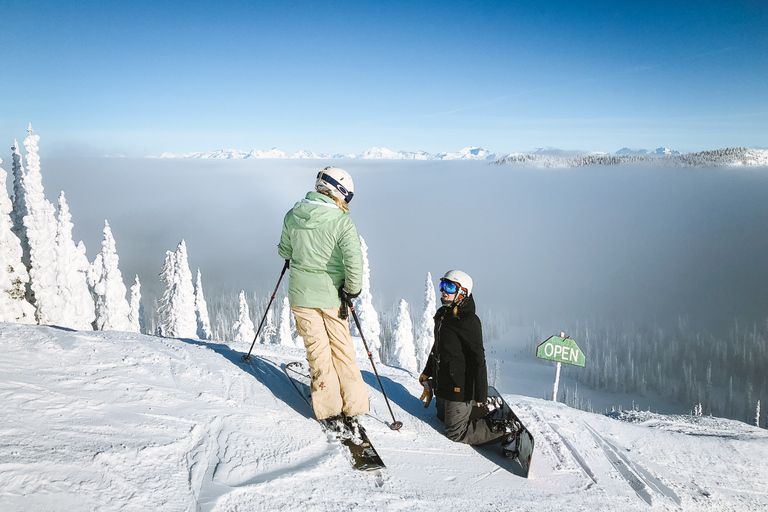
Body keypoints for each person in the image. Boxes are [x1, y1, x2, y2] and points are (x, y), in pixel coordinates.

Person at [277, 166, 369, 432]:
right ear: (337, 191)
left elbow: (284, 250)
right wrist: (352, 289)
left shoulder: (293, 214)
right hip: (332, 297)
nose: (347, 202)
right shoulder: (341, 221)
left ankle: (328, 409)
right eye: (347, 196)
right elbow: (354, 258)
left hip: (301, 296)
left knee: (317, 350)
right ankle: (353, 406)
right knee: (342, 349)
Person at [419, 270, 517, 451]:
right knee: (441, 416)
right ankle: (486, 408)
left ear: (462, 292)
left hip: (460, 386)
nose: (443, 291)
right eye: (442, 285)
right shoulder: (443, 315)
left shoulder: (469, 321)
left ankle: (504, 429)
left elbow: (478, 359)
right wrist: (427, 372)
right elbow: (437, 347)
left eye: (449, 287)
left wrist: (480, 395)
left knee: (455, 431)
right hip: (444, 383)